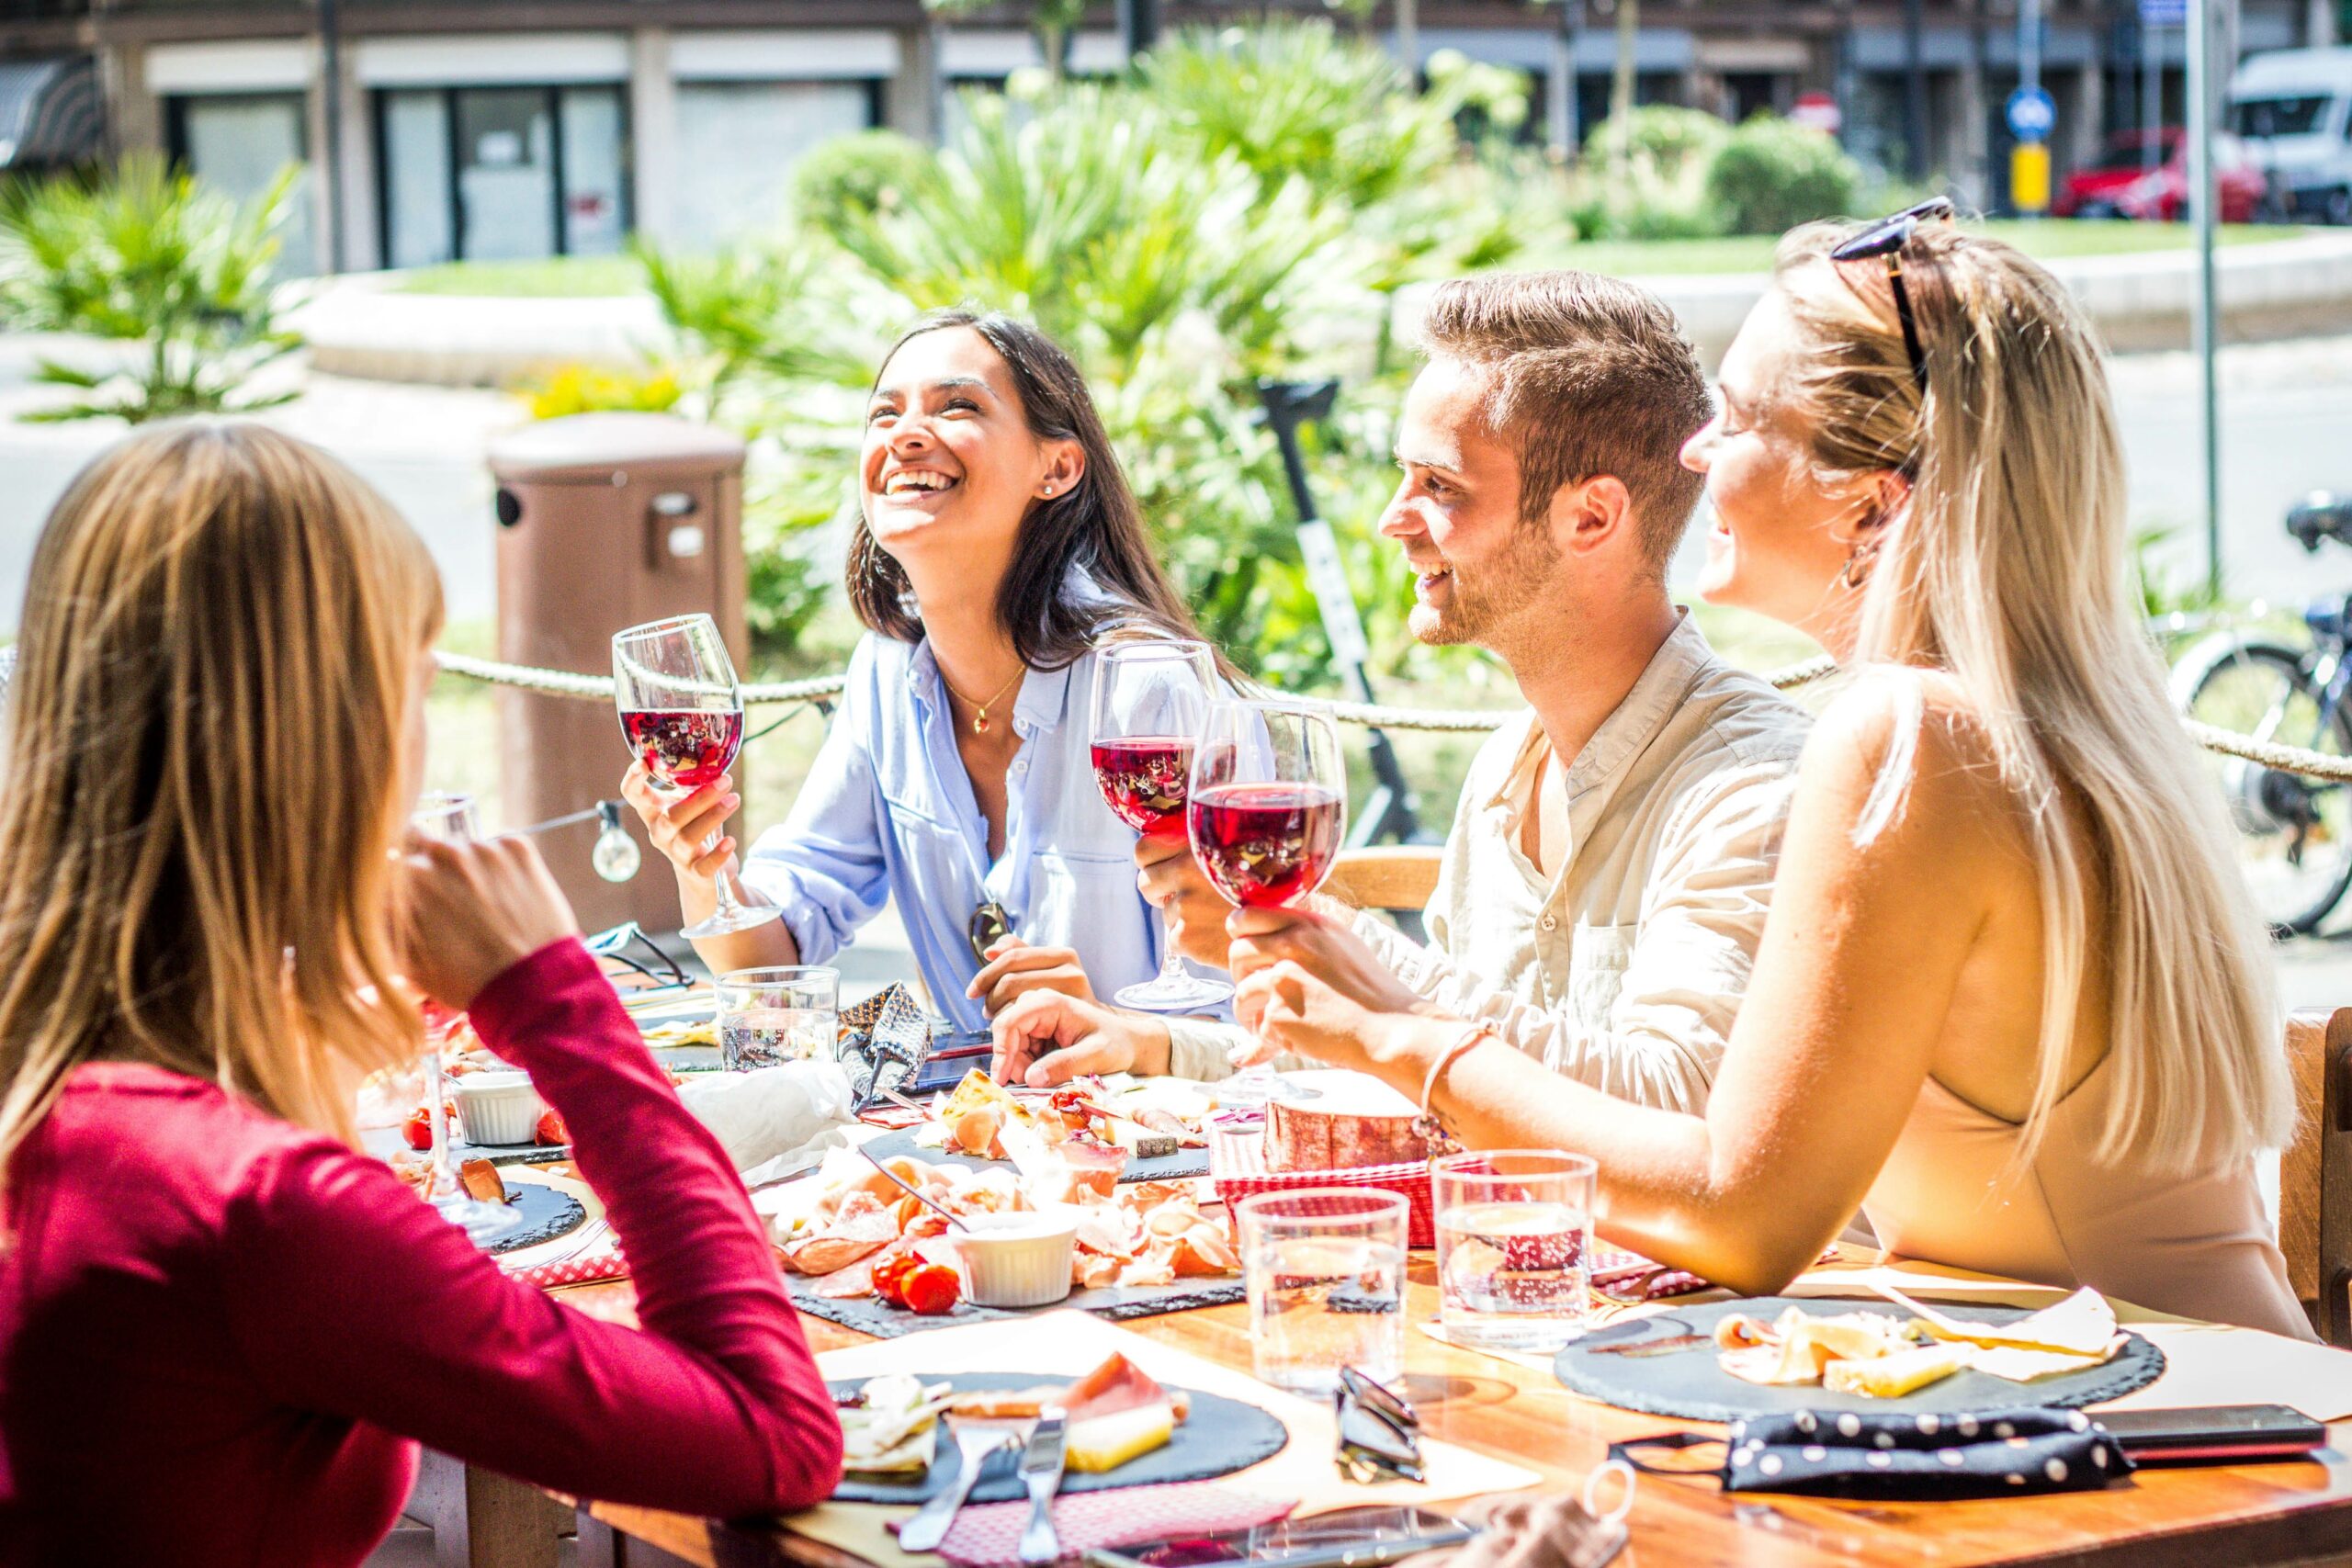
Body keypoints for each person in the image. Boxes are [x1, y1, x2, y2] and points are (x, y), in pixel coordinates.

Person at [1228, 210, 2311, 1338]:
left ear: (1870, 500)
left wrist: (1393, 1036)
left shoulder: (1908, 735)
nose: (1694, 453)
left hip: (2180, 1442)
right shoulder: (2046, 710)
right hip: (2200, 1404)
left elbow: (1741, 1217)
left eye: (1740, 418)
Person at [0, 424, 844, 1564]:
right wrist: (552, 999)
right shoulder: (261, 1213)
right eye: (417, 681)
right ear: (332, 741)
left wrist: (312, 1017)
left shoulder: (65, 1103)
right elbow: (769, 1431)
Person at [993, 271, 1811, 1109]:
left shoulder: (1753, 785)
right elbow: (1437, 1074)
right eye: (1403, 476)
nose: (1393, 517)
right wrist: (1153, 1045)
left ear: (1592, 517)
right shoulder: (1504, 769)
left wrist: (1346, 949)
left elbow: (1676, 1102)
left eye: (1439, 485)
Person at [627, 310, 1221, 1032]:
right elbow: (769, 972)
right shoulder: (886, 672)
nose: (906, 434)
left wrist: (1113, 1026)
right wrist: (702, 868)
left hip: (1161, 1133)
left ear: (1057, 467)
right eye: (885, 413)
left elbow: (1259, 1011)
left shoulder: (1147, 688)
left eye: (959, 405)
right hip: (979, 1130)